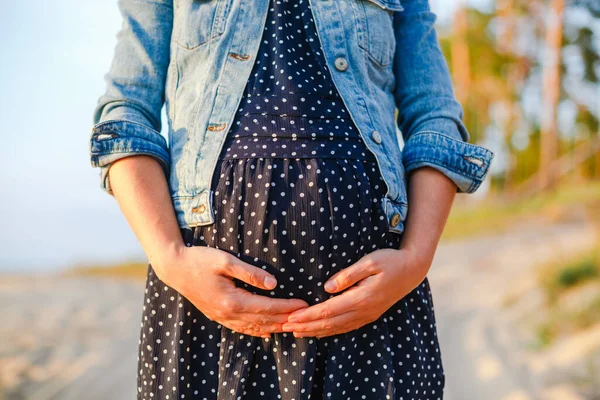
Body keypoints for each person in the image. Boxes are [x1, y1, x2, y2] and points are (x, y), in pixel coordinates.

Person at [89, 0, 494, 398]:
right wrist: (170, 259)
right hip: (207, 311)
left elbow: (435, 117)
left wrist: (414, 260)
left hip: (375, 312)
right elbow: (125, 113)